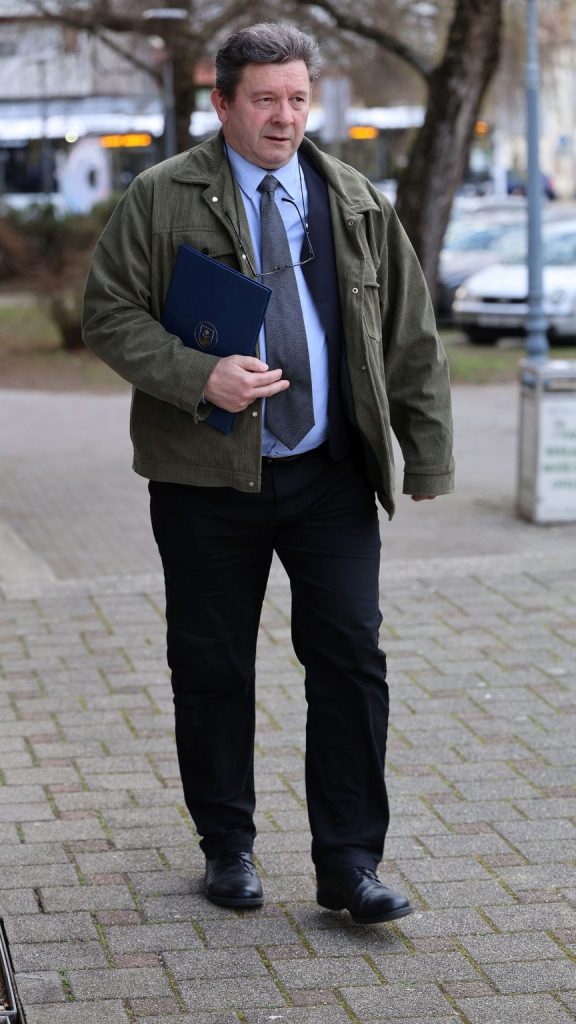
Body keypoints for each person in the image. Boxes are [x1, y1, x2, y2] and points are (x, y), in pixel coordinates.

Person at [83, 21, 454, 925]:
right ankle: (228, 846)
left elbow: (409, 332)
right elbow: (108, 313)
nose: (284, 117)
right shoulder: (160, 196)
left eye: (296, 98)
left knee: (351, 658)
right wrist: (196, 374)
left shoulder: (355, 198)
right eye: (264, 99)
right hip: (205, 479)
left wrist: (427, 450)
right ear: (222, 103)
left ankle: (351, 865)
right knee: (211, 665)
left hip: (330, 473)